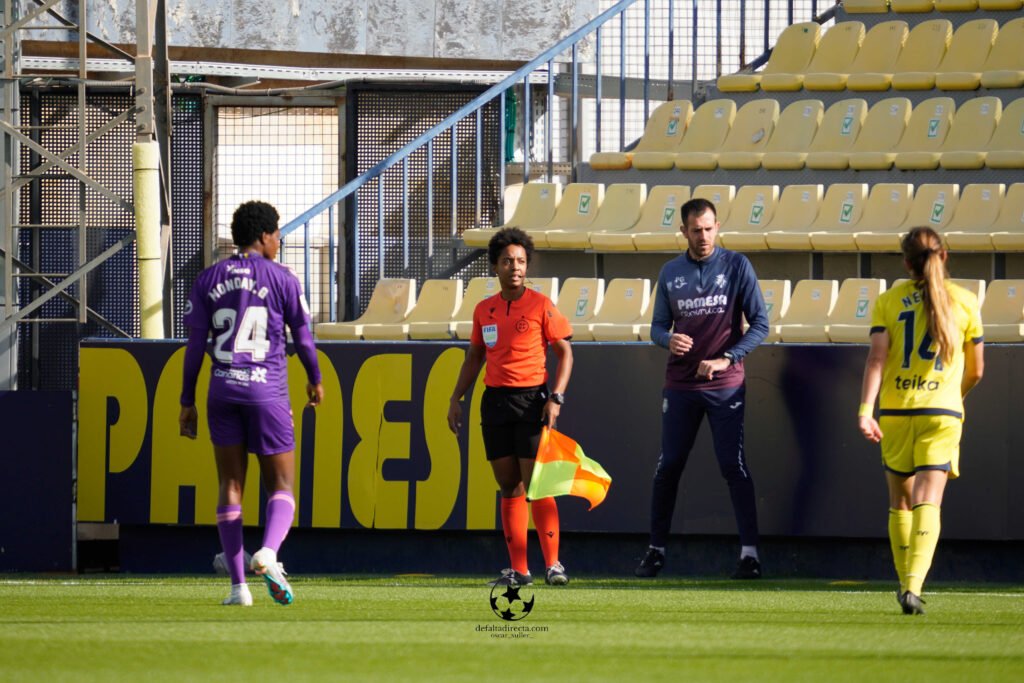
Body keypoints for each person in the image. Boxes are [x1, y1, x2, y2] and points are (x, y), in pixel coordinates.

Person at [179, 200, 324, 607]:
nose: (279, 241)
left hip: (222, 391)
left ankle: (238, 587)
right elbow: (304, 339)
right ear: (264, 236)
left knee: (230, 485)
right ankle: (270, 552)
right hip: (268, 391)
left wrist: (186, 400)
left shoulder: (207, 279)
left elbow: (194, 347)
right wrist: (315, 379)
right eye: (277, 234)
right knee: (280, 484)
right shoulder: (282, 278)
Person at [635, 197, 769, 580]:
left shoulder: (737, 265)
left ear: (718, 226)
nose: (704, 236)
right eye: (696, 230)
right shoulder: (671, 272)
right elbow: (657, 327)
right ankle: (656, 550)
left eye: (710, 228)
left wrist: (727, 358)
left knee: (733, 464)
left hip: (726, 384)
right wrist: (668, 340)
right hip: (680, 385)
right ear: (684, 231)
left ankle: (749, 555)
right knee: (669, 465)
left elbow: (760, 324)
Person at [858, 226, 983, 615]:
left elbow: (877, 358)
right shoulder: (964, 301)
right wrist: (952, 398)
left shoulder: (888, 301)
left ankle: (901, 581)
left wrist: (865, 410)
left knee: (900, 501)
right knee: (930, 499)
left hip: (896, 412)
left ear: (906, 263)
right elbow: (977, 370)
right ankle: (913, 586)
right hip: (941, 413)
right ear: (943, 256)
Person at [447, 227, 574, 587]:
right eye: (507, 261)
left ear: (526, 265)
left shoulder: (540, 305)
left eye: (520, 261)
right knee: (510, 487)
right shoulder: (483, 310)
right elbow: (475, 356)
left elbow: (565, 352)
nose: (514, 267)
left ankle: (554, 565)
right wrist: (456, 397)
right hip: (495, 404)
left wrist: (556, 398)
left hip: (532, 401)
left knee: (538, 485)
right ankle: (519, 570)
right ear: (495, 267)